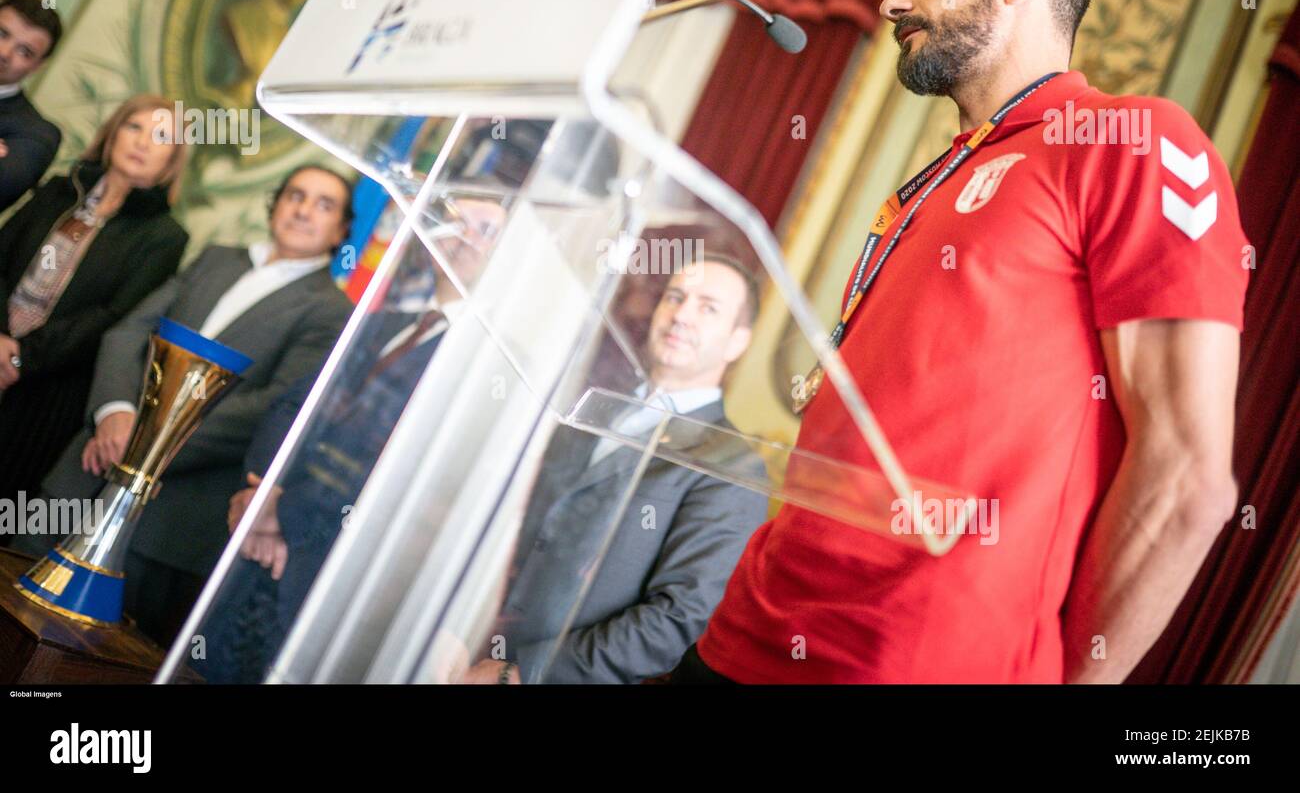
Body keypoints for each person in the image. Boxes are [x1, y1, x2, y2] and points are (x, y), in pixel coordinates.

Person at [676, 0, 1249, 684]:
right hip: (743, 632)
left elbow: (1188, 478)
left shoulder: (1133, 140)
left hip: (913, 658)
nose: (892, 1)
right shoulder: (931, 180)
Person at [15, 164, 355, 646]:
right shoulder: (218, 258)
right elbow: (131, 331)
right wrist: (113, 410)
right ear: (275, 203)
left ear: (342, 230)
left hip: (165, 521)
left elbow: (271, 408)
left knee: (82, 656)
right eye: (296, 195)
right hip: (88, 467)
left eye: (324, 205)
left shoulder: (331, 310)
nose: (303, 210)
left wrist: (141, 444)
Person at [198, 190, 509, 683]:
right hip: (252, 551)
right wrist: (261, 487)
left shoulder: (490, 367)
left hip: (332, 584)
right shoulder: (378, 323)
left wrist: (283, 512)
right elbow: (295, 405)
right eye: (453, 221)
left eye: (486, 229)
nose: (463, 236)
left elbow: (406, 471)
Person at [460, 254, 769, 684]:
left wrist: (522, 673)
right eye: (675, 297)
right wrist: (456, 626)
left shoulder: (734, 465)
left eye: (708, 307)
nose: (681, 314)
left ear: (738, 341)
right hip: (461, 650)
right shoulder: (589, 407)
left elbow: (678, 617)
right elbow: (512, 521)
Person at [0, 95, 189, 512]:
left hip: (46, 389)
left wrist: (20, 360)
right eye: (133, 127)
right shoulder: (57, 191)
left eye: (161, 137)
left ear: (172, 161)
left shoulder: (165, 236)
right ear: (112, 134)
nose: (142, 142)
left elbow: (113, 317)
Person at [0, 0, 63, 212]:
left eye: (24, 51)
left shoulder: (35, 134)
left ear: (37, 66)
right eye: (2, 34)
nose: (4, 53)